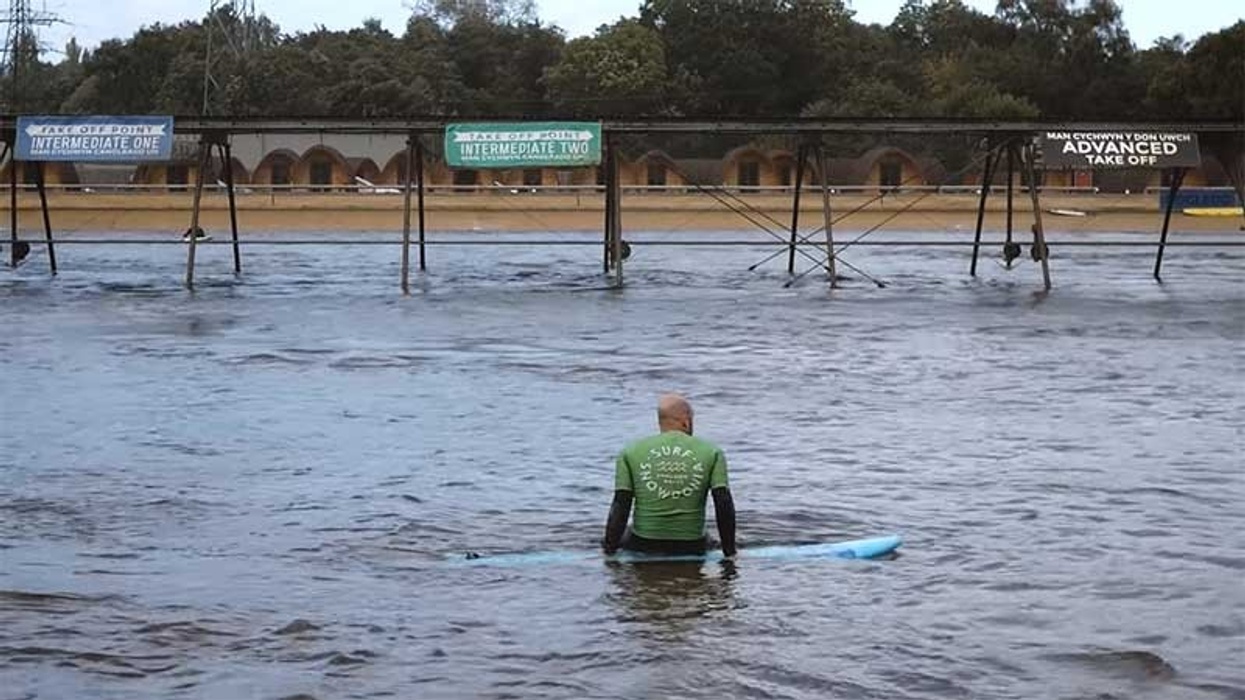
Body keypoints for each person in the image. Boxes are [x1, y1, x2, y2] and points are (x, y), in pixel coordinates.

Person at [601, 393, 737, 558]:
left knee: (625, 533)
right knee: (710, 537)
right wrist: (729, 553)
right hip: (692, 544)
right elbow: (723, 502)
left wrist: (609, 551)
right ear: (686, 421)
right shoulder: (712, 451)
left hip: (642, 543)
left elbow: (621, 504)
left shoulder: (630, 451)